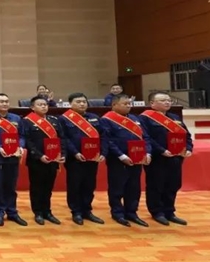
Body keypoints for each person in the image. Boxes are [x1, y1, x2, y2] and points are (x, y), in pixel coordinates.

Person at [140, 92, 193, 226]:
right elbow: (145, 138)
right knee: (156, 185)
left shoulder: (175, 117)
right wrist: (161, 150)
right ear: (152, 103)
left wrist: (188, 148)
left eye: (169, 100)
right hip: (158, 158)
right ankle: (157, 212)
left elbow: (186, 135)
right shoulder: (145, 118)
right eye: (163, 100)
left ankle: (169, 211)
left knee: (173, 184)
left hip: (175, 157)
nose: (167, 102)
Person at [101, 93, 152, 227]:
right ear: (114, 105)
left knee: (134, 187)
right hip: (118, 159)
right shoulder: (107, 120)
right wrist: (121, 156)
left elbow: (145, 137)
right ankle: (117, 213)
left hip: (137, 158)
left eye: (130, 104)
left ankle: (132, 212)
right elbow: (108, 141)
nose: (129, 106)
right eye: (125, 104)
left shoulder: (135, 118)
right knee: (117, 187)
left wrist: (148, 152)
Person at [60, 93, 107, 226]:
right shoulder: (64, 119)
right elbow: (64, 138)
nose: (82, 104)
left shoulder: (94, 117)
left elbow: (103, 136)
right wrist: (75, 152)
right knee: (75, 185)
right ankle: (76, 212)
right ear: (70, 104)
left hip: (92, 158)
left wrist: (103, 152)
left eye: (84, 102)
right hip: (75, 159)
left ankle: (87, 210)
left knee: (89, 185)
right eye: (78, 102)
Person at [0, 93, 27, 227]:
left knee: (11, 186)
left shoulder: (16, 118)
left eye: (6, 101)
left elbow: (22, 136)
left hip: (13, 157)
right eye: (1, 101)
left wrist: (20, 146)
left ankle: (12, 212)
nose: (4, 104)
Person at [24, 96, 65, 225]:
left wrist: (63, 154)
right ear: (32, 107)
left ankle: (47, 211)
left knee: (48, 187)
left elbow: (62, 138)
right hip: (36, 160)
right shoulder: (27, 121)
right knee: (37, 187)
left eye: (45, 104)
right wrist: (39, 155)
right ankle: (38, 212)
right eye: (40, 104)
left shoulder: (54, 120)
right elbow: (27, 141)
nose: (43, 106)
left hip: (53, 160)